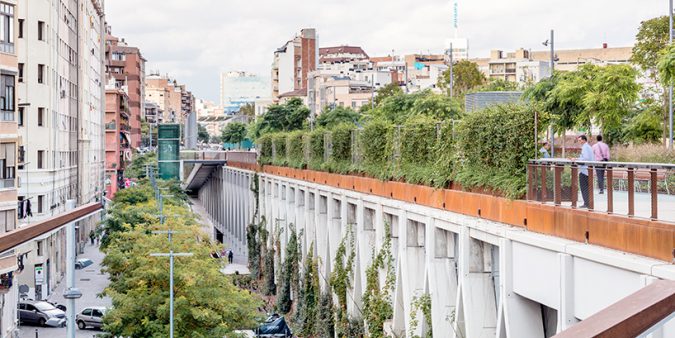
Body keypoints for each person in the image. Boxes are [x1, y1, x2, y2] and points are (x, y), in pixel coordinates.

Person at [571, 135, 594, 208]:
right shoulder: (588, 147)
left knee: (584, 187)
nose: (579, 142)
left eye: (580, 140)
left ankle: (587, 203)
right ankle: (588, 203)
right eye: (579, 140)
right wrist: (577, 159)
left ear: (584, 140)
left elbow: (585, 158)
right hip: (587, 170)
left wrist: (576, 160)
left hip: (585, 170)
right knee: (587, 187)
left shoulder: (585, 147)